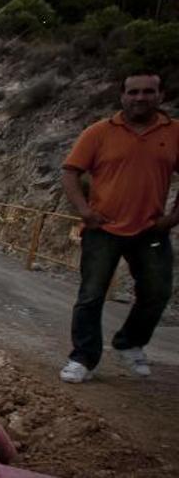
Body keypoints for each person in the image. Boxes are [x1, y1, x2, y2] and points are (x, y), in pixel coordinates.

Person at [59, 71, 178, 383]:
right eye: (134, 92)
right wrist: (84, 211)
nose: (140, 98)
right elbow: (71, 172)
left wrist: (173, 217)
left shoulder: (174, 132)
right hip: (103, 229)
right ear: (123, 96)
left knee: (157, 292)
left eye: (148, 92)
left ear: (160, 95)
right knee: (90, 295)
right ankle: (83, 358)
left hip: (151, 230)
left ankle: (130, 341)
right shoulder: (100, 132)